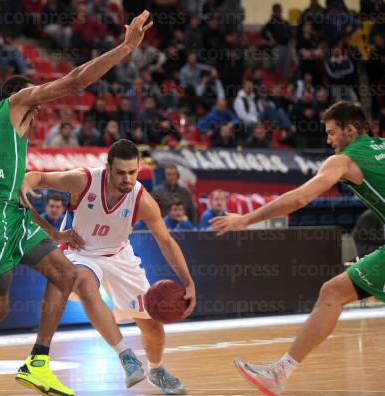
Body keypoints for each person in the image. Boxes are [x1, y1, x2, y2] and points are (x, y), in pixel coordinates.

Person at [0, 11, 154, 396]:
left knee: (66, 274)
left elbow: (20, 195)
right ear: (18, 97)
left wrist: (54, 231)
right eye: (35, 100)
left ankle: (37, 363)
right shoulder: (13, 104)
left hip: (9, 213)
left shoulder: (7, 140)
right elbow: (76, 80)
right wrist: (125, 48)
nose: (40, 106)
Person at [211, 101, 385, 395]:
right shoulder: (380, 145)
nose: (328, 140)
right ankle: (279, 373)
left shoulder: (343, 160)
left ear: (350, 130)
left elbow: (300, 199)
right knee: (334, 291)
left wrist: (247, 219)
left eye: (332, 133)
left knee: (332, 293)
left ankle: (279, 374)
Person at [23, 139, 196, 394]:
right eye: (121, 172)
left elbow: (166, 241)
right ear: (108, 168)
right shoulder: (82, 180)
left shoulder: (143, 200)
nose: (127, 179)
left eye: (132, 172)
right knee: (84, 284)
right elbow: (36, 177)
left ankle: (157, 370)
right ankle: (125, 355)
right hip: (79, 252)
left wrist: (189, 281)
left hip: (119, 255)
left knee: (151, 324)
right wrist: (51, 229)